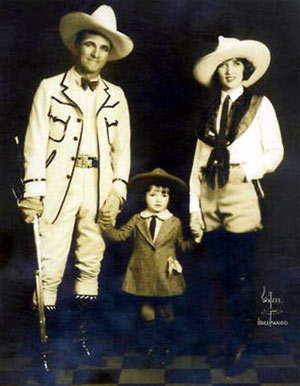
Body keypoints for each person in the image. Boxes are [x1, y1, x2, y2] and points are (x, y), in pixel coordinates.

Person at [18, 4, 133, 355]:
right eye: (90, 45)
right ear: (77, 46)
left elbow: (122, 152)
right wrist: (34, 192)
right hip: (57, 188)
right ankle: (46, 341)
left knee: (90, 259)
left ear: (109, 55)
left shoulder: (116, 96)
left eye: (103, 49)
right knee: (50, 263)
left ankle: (83, 338)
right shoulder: (50, 88)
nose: (96, 54)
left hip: (98, 188)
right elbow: (35, 143)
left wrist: (117, 193)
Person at [189, 36, 284, 375]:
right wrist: (194, 208)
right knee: (219, 273)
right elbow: (197, 163)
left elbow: (275, 152)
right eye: (224, 65)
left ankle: (240, 342)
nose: (230, 71)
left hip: (242, 192)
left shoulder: (260, 104)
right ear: (218, 72)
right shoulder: (211, 110)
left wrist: (247, 171)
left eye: (236, 64)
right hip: (210, 193)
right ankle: (228, 341)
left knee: (241, 272)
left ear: (246, 69)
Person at [104, 168, 197, 365]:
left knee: (167, 310)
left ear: (169, 198)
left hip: (166, 275)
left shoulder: (174, 221)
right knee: (146, 311)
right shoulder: (138, 219)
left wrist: (196, 238)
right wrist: (105, 224)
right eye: (152, 194)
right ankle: (151, 347)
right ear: (144, 196)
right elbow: (120, 235)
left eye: (163, 195)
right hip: (142, 274)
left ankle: (166, 346)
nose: (158, 199)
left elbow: (183, 245)